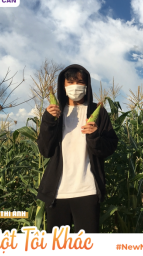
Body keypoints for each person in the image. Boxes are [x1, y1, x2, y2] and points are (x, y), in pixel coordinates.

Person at [36, 64, 118, 233]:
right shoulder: (56, 113)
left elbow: (109, 147)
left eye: (80, 81)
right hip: (57, 193)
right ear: (63, 85)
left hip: (87, 190)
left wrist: (95, 136)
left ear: (87, 85)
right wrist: (48, 121)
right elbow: (45, 150)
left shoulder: (98, 112)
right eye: (70, 82)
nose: (75, 86)